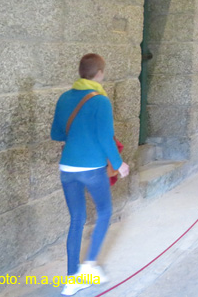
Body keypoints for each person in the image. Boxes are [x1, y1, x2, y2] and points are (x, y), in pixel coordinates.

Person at [50, 54, 130, 296]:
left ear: (80, 72)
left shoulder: (65, 97)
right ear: (100, 73)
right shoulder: (101, 101)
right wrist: (120, 164)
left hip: (67, 169)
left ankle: (71, 279)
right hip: (92, 168)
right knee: (105, 211)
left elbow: (56, 134)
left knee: (76, 219)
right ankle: (89, 267)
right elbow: (106, 137)